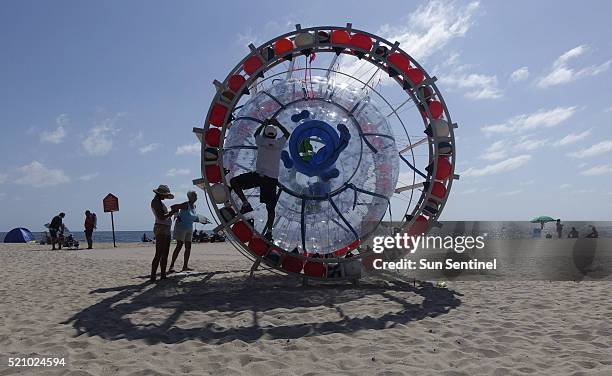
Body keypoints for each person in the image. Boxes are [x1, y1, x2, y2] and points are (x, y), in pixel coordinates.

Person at [230, 117, 290, 240]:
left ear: (266, 134)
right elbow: (287, 134)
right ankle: (269, 232)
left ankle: (245, 203)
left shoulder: (261, 141)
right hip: (271, 180)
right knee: (270, 209)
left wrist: (264, 124)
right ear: (274, 135)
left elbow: (256, 134)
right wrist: (278, 123)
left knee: (234, 182)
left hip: (259, 176)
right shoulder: (278, 144)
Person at [168, 191, 209, 273]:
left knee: (188, 247)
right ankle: (171, 266)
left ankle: (185, 266)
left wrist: (201, 221)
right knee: (179, 246)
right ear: (190, 197)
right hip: (181, 227)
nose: (197, 197)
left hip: (189, 228)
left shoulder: (194, 206)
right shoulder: (185, 204)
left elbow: (192, 217)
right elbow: (173, 206)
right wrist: (177, 215)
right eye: (195, 195)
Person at [150, 185, 178, 282]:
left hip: (164, 228)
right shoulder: (156, 202)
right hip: (161, 228)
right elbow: (161, 217)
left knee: (164, 252)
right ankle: (154, 275)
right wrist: (172, 212)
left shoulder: (158, 202)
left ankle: (162, 274)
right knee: (160, 252)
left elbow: (162, 216)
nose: (165, 197)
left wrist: (171, 212)